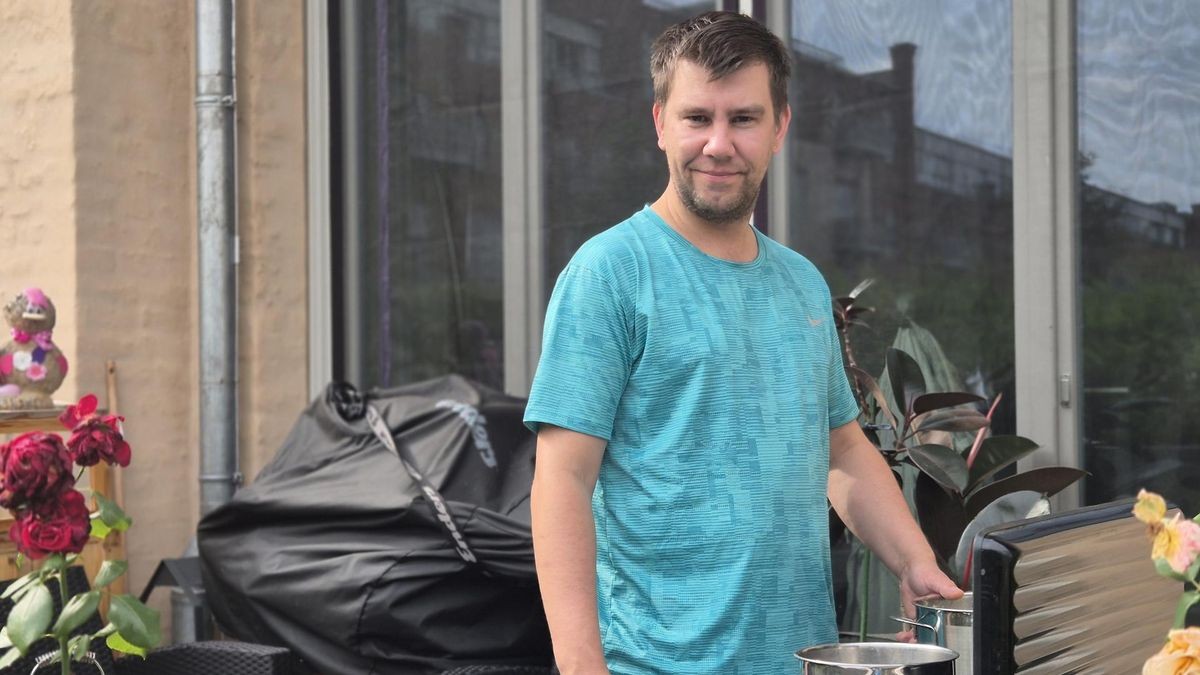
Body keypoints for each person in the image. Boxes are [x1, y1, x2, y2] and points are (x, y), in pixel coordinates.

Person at [523, 11, 961, 674]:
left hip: (800, 660)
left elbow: (841, 447)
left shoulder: (802, 283)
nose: (719, 143)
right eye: (698, 117)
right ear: (661, 123)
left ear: (780, 127)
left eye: (744, 118)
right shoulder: (609, 272)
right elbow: (563, 477)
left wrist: (914, 559)